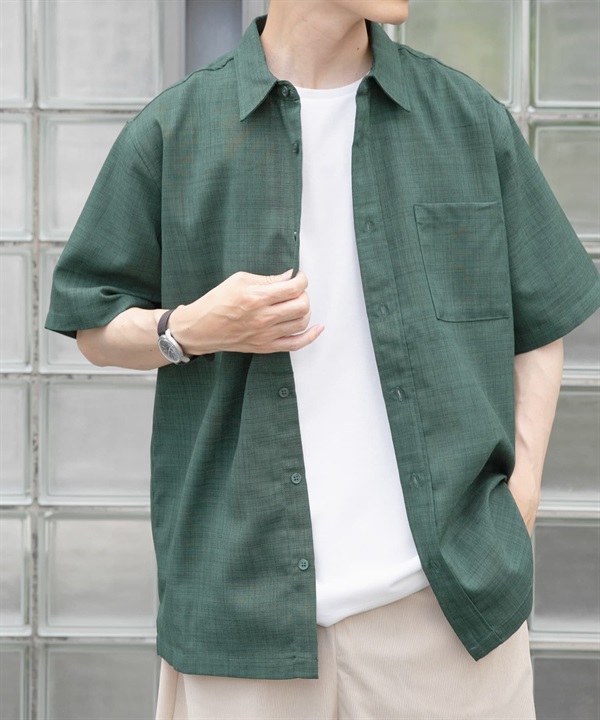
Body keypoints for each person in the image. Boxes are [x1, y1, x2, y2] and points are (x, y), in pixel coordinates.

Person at [46, 1, 599, 718]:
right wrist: (191, 327)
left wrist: (519, 502)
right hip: (243, 616)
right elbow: (92, 323)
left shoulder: (465, 119)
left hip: (445, 613)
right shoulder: (176, 130)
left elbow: (540, 320)